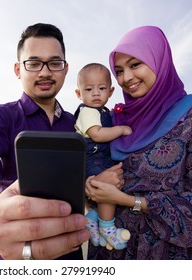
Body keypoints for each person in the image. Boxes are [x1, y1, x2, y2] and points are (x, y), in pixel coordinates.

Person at [0, 23, 124, 260]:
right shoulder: (0, 117)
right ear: (17, 69)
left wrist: (96, 185)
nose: (45, 72)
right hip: (12, 256)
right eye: (33, 63)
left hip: (71, 256)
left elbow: (84, 188)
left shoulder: (76, 124)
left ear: (65, 70)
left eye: (54, 63)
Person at [85, 26, 192, 260]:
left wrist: (130, 201)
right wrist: (90, 185)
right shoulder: (110, 120)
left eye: (135, 65)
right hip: (110, 252)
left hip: (169, 254)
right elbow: (87, 162)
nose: (126, 78)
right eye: (119, 70)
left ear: (159, 60)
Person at [74, 63, 132, 250]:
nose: (96, 93)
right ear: (78, 94)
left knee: (105, 190)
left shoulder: (102, 112)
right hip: (94, 159)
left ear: (110, 91)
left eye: (102, 88)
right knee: (107, 191)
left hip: (100, 158)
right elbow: (97, 135)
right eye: (89, 89)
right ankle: (107, 227)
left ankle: (91, 219)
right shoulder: (88, 112)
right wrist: (121, 129)